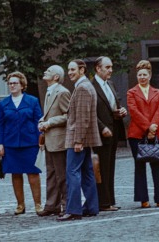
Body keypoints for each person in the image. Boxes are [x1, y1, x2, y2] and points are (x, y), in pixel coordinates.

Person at [57, 59, 102, 221]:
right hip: (84, 138)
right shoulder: (85, 86)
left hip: (77, 138)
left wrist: (78, 140)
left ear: (82, 70)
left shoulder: (82, 88)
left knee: (72, 173)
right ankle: (91, 206)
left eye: (73, 69)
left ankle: (73, 209)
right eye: (68, 70)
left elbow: (82, 118)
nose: (69, 73)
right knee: (87, 172)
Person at [0, 71, 43, 216]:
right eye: (10, 83)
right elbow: (0, 125)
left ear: (22, 85)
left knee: (33, 173)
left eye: (15, 83)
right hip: (11, 143)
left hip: (30, 142)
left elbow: (39, 121)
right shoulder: (3, 103)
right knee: (16, 174)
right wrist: (0, 144)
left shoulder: (32, 101)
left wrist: (40, 139)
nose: (12, 85)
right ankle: (20, 205)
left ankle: (38, 204)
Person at [127, 60, 159, 208]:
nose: (142, 77)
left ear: (149, 76)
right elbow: (133, 112)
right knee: (140, 166)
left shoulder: (157, 92)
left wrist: (153, 128)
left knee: (157, 165)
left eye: (145, 74)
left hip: (156, 132)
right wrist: (148, 127)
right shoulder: (131, 92)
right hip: (137, 134)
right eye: (139, 75)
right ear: (137, 76)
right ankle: (143, 198)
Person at [91, 56, 127, 211]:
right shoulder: (91, 87)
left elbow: (114, 104)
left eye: (111, 67)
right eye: (107, 67)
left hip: (113, 130)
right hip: (100, 133)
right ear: (98, 69)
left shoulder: (110, 84)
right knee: (101, 168)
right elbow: (91, 112)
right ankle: (103, 202)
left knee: (110, 167)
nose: (111, 70)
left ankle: (110, 200)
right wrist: (101, 127)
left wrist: (121, 111)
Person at [37, 65, 71, 217]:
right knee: (51, 173)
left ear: (56, 77)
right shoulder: (50, 91)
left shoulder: (62, 92)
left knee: (61, 175)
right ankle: (52, 205)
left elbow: (68, 116)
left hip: (58, 140)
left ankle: (65, 205)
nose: (45, 72)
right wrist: (43, 120)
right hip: (50, 140)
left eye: (49, 71)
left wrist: (49, 122)